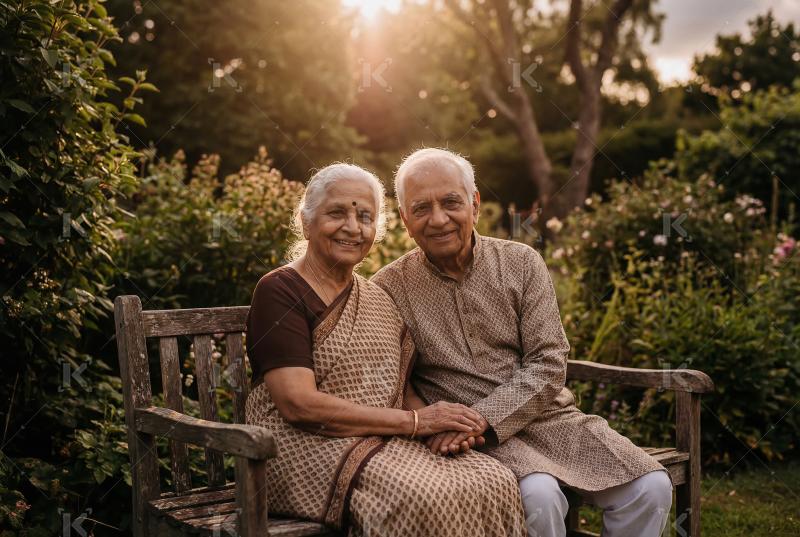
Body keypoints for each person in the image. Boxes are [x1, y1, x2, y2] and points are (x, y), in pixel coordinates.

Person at [371, 148, 674, 537]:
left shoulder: (521, 262)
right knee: (540, 498)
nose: (439, 219)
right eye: (421, 208)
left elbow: (549, 361)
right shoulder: (388, 288)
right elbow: (394, 380)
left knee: (650, 487)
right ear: (405, 221)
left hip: (549, 420)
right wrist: (437, 425)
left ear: (474, 204)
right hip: (473, 444)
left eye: (451, 202)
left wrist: (485, 416)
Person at [244, 163, 526, 536]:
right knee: (422, 496)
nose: (352, 227)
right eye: (337, 213)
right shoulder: (281, 290)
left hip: (379, 442)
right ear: (306, 221)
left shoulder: (377, 297)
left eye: (365, 216)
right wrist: (416, 424)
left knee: (493, 478)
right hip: (298, 448)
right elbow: (299, 405)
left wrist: (442, 429)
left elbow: (401, 391)